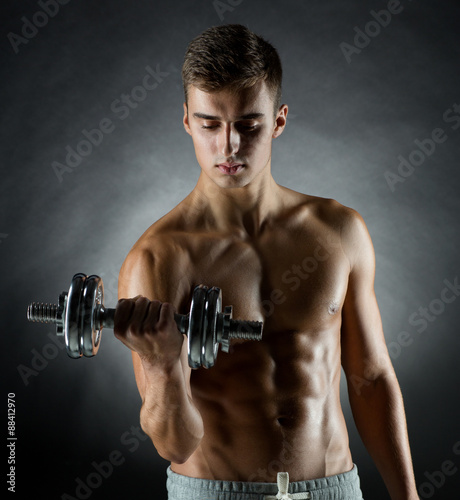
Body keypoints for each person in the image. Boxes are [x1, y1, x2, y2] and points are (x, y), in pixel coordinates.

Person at [114, 24, 419, 500]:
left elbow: (372, 381)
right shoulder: (159, 257)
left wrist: (409, 497)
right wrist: (161, 366)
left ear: (278, 120)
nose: (229, 146)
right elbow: (175, 444)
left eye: (248, 125)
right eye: (210, 124)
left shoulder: (339, 231)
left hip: (334, 489)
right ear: (187, 122)